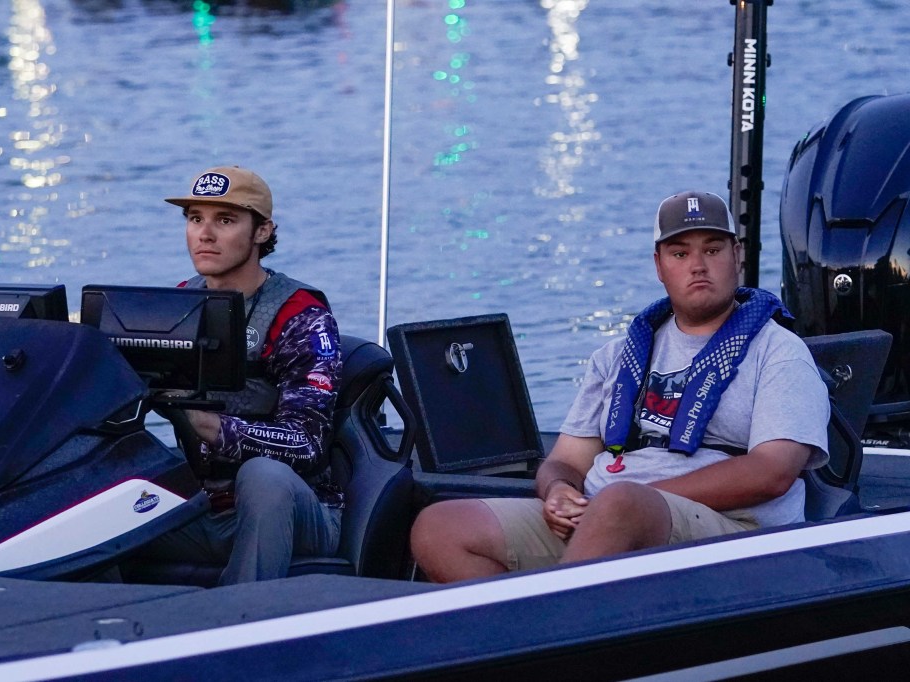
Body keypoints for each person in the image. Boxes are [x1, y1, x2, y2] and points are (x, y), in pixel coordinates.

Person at [410, 190, 831, 583]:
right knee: (441, 527)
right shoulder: (617, 356)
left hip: (735, 532)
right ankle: (540, 624)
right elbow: (566, 462)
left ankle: (553, 623)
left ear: (737, 256)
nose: (698, 265)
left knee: (622, 504)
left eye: (712, 250)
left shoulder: (779, 352)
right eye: (680, 253)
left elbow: (772, 472)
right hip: (604, 516)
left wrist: (626, 502)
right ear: (659, 266)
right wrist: (558, 491)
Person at [145, 165, 343, 585]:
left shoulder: (301, 315)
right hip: (202, 509)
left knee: (263, 474)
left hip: (298, 510)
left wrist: (213, 427)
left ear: (262, 231)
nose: (204, 234)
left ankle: (242, 617)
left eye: (225, 220)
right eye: (195, 218)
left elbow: (307, 444)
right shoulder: (177, 305)